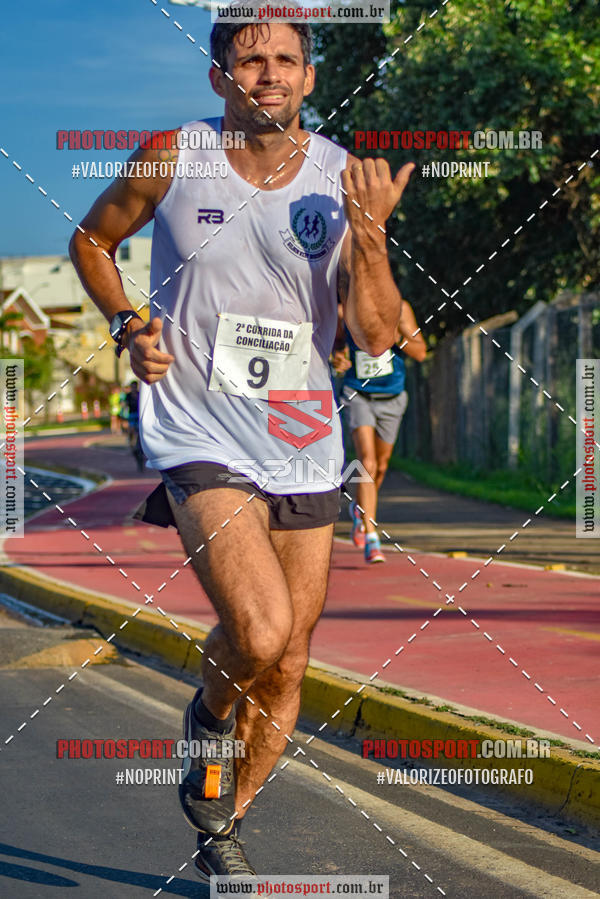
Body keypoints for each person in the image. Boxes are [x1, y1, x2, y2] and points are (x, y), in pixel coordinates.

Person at [69, 18, 413, 880]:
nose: (269, 74)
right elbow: (92, 240)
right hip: (197, 419)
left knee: (292, 654)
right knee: (257, 632)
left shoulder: (343, 177)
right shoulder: (174, 156)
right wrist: (128, 322)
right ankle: (211, 716)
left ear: (308, 74)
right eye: (250, 60)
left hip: (301, 428)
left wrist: (368, 236)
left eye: (285, 60)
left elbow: (375, 339)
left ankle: (222, 827)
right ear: (219, 75)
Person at [333, 302, 426, 563]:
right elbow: (336, 343)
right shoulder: (345, 311)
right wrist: (338, 357)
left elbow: (420, 352)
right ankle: (371, 535)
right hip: (357, 393)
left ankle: (359, 509)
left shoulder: (400, 309)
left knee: (381, 466)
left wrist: (397, 337)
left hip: (392, 397)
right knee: (368, 462)